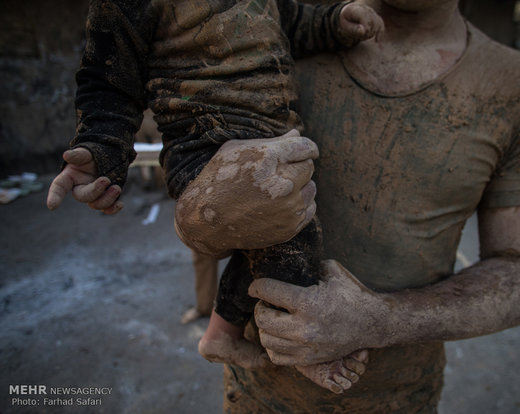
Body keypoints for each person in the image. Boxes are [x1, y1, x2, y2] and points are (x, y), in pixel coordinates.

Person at [173, 0, 520, 412]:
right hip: (256, 395)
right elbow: (194, 150)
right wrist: (197, 216)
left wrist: (380, 320)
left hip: (399, 398)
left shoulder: (516, 90)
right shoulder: (281, 33)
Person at [45, 0, 383, 394]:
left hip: (273, 141)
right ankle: (304, 350)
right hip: (203, 145)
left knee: (271, 238)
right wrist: (99, 150)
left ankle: (220, 334)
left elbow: (293, 21)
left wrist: (336, 21)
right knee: (293, 240)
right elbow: (108, 77)